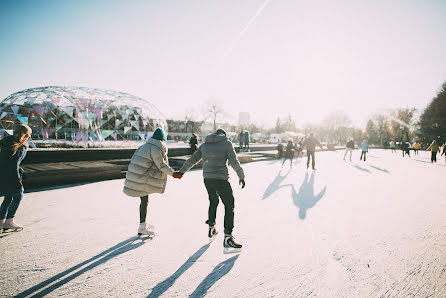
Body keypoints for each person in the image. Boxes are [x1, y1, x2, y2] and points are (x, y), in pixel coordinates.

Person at [176, 129, 245, 253]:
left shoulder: (205, 145)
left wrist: (182, 171)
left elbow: (193, 159)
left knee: (213, 201)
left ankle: (211, 227)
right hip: (221, 180)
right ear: (223, 135)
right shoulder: (226, 143)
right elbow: (234, 161)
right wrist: (241, 176)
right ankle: (228, 237)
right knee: (229, 205)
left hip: (207, 179)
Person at [123, 127, 182, 236]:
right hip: (141, 178)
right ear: (162, 140)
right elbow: (161, 164)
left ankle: (142, 223)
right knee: (144, 201)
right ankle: (142, 226)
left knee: (144, 200)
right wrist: (173, 173)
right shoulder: (155, 148)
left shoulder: (144, 146)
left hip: (137, 177)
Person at [0, 124, 32, 232]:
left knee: (8, 196)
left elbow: (8, 160)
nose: (29, 138)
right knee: (19, 194)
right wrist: (17, 180)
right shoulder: (20, 147)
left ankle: (1, 222)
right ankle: (9, 221)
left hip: (2, 174)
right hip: (11, 176)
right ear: (25, 135)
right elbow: (13, 164)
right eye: (28, 135)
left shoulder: (5, 142)